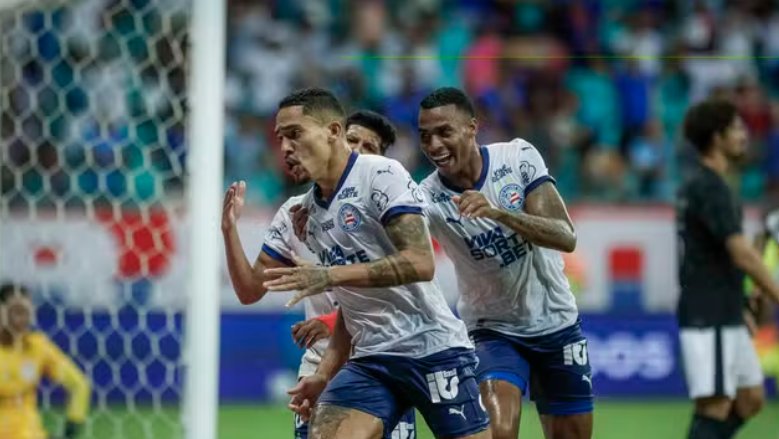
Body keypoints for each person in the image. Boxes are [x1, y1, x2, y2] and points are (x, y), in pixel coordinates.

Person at [263, 88, 490, 439]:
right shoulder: (308, 212)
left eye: (295, 134)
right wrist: (323, 374)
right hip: (370, 359)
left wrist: (328, 276)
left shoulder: (382, 174)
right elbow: (352, 305)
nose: (286, 148)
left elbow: (420, 262)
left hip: (431, 347)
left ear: (332, 132)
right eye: (281, 138)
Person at [222, 108, 414, 438]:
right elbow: (250, 291)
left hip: (384, 364)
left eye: (370, 148)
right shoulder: (295, 212)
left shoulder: (391, 209)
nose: (358, 151)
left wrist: (328, 321)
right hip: (321, 369)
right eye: (353, 141)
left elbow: (403, 294)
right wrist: (229, 230)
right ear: (334, 139)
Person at [416, 87, 592, 439]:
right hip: (491, 330)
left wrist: (499, 213)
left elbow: (564, 236)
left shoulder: (517, 156)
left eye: (444, 132)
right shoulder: (426, 199)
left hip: (556, 322)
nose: (434, 145)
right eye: (425, 136)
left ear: (472, 127)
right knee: (498, 432)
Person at [677, 99, 779, 439]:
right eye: (735, 128)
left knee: (750, 398)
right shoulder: (711, 187)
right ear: (716, 137)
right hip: (710, 312)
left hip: (725, 309)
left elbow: (720, 255)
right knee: (715, 405)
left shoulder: (710, 185)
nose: (744, 134)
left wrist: (741, 305)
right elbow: (741, 255)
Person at [0, 283, 91, 439]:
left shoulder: (38, 347)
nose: (24, 319)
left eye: (28, 313)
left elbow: (79, 385)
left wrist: (71, 428)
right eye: (17, 312)